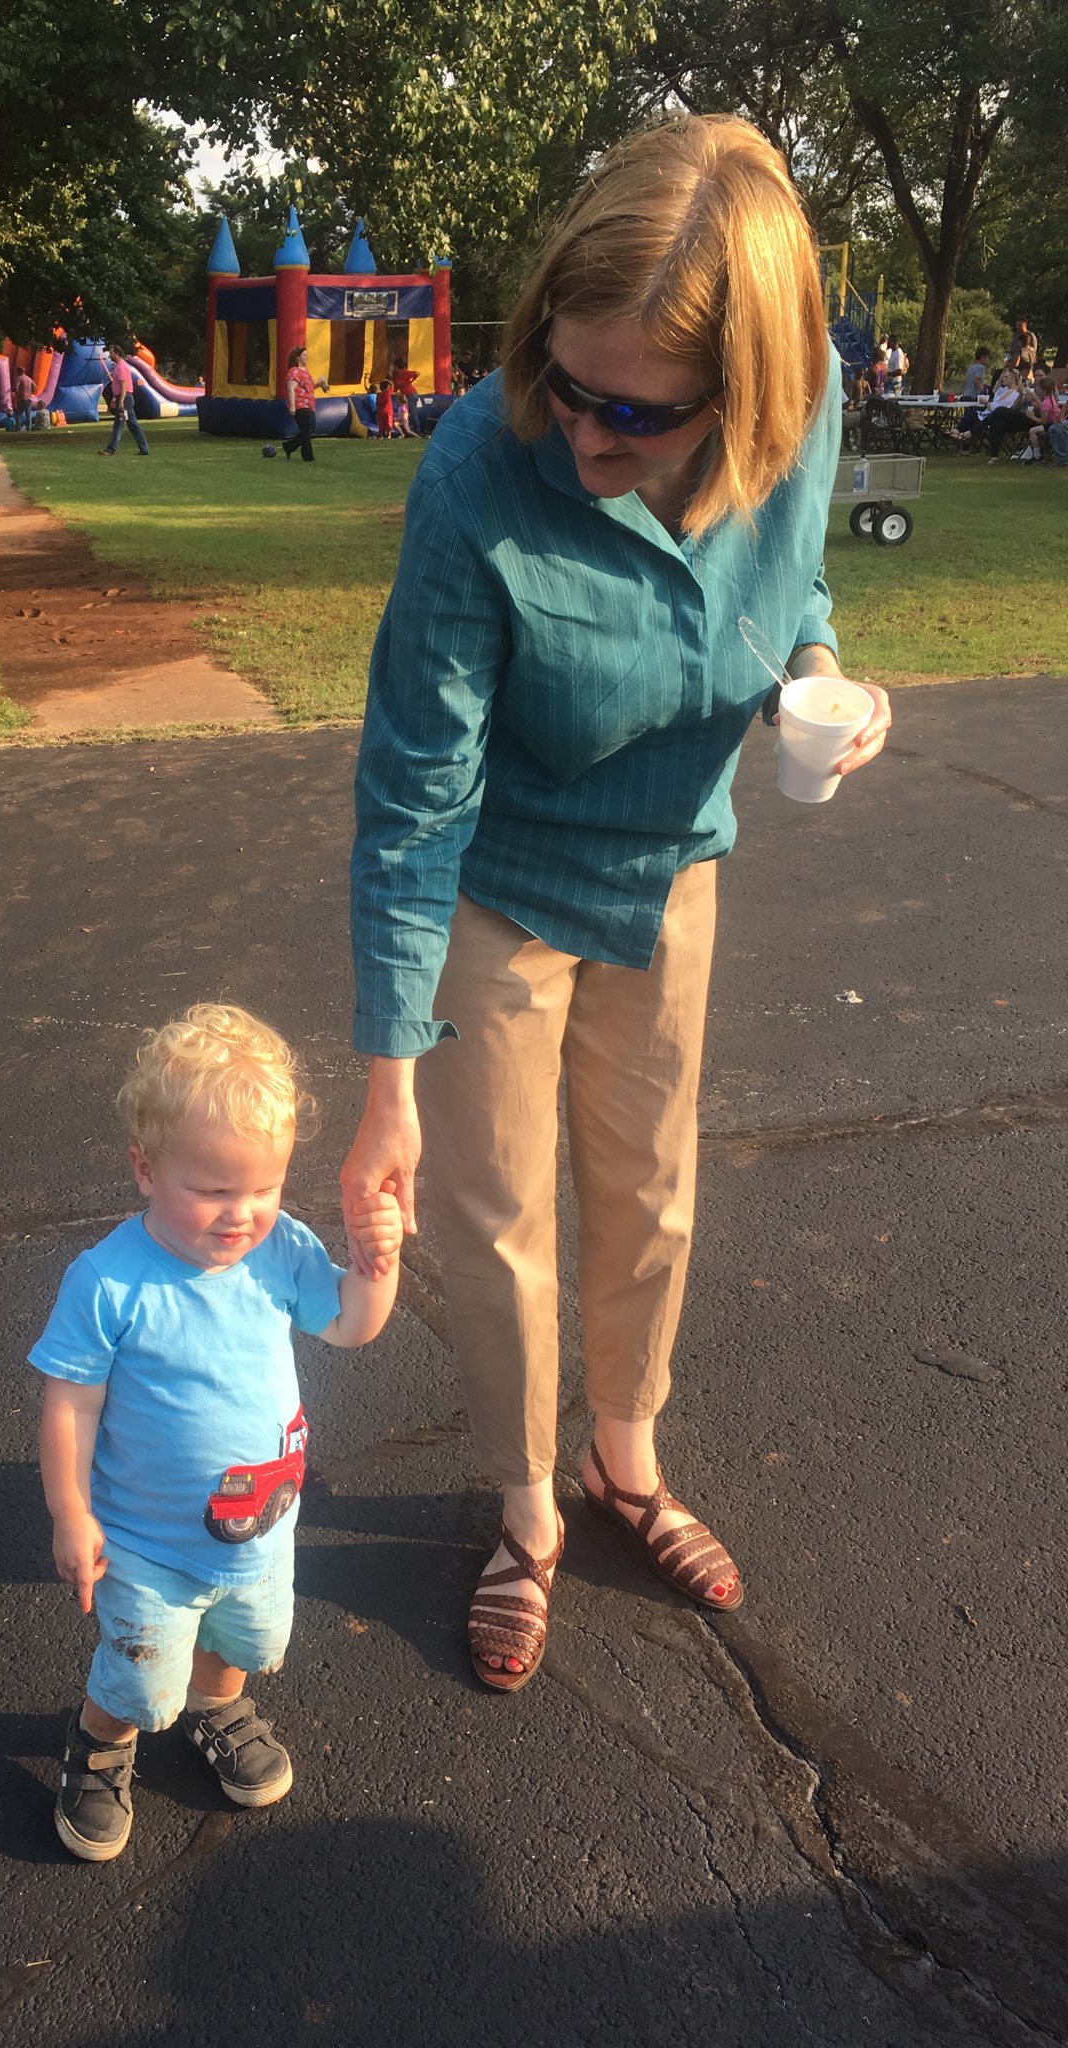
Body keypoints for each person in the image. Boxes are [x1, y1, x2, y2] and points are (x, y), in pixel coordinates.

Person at [343, 114, 891, 1695]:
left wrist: (823, 681)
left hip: (676, 863)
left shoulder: (812, 408)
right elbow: (413, 788)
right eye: (569, 388)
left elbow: (799, 597)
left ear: (759, 393)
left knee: (649, 1190)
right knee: (497, 1215)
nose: (588, 436)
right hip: (498, 884)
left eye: (640, 417)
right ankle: (527, 1513)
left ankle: (623, 1462)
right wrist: (386, 1078)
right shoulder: (474, 467)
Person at [32, 1004, 403, 1860]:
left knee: (248, 1641)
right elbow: (69, 1403)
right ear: (144, 1169)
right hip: (146, 1547)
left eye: (264, 1188)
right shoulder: (109, 1284)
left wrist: (376, 1267)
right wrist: (70, 1511)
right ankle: (100, 1743)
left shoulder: (282, 1253)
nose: (242, 1213)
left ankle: (215, 1704)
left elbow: (349, 1325)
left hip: (261, 1534)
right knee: (138, 1672)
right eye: (212, 1190)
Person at [101, 345, 149, 455]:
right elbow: (117, 385)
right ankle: (144, 448)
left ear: (117, 353)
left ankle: (111, 449)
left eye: (111, 353)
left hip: (125, 399)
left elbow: (124, 385)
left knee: (119, 424)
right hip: (122, 398)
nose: (109, 355)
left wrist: (121, 401)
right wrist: (114, 398)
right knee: (132, 424)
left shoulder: (121, 367)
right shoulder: (118, 366)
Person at [282, 345, 318, 461]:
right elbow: (291, 388)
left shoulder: (306, 371)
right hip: (300, 404)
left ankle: (289, 446)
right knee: (307, 429)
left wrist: (319, 384)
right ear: (298, 357)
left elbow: (309, 387)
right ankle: (308, 457)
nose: (306, 357)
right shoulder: (294, 371)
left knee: (310, 429)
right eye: (304, 355)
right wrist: (292, 406)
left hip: (310, 404)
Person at [12, 367, 35, 431]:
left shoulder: (19, 378)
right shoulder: (28, 378)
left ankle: (18, 427)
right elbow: (34, 386)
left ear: (18, 372)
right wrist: (32, 393)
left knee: (18, 414)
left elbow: (16, 387)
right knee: (28, 413)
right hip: (29, 398)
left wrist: (17, 395)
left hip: (22, 398)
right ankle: (28, 427)